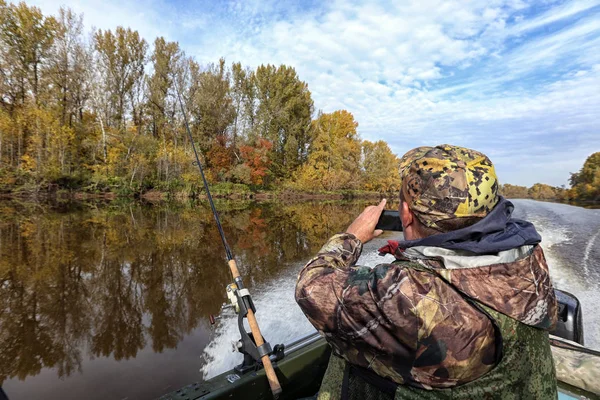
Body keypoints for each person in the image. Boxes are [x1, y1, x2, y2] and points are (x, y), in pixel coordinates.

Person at [295, 144, 558, 399]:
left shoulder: (408, 292)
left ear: (406, 214)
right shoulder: (529, 256)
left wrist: (351, 236)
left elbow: (310, 286)